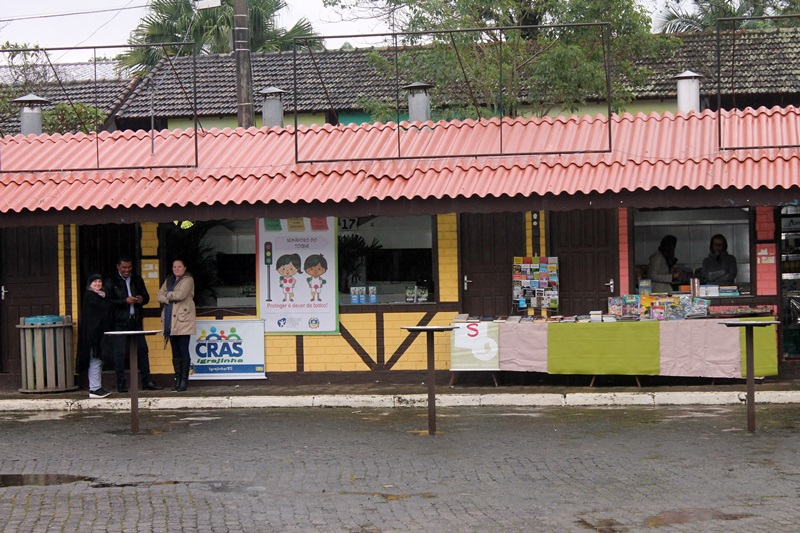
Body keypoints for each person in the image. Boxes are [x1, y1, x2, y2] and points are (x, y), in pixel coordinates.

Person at [105, 256, 163, 392]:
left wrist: (142, 299)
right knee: (119, 352)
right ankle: (121, 384)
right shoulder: (111, 280)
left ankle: (147, 381)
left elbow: (146, 297)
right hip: (119, 321)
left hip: (135, 320)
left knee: (143, 350)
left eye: (129, 267)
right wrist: (124, 301)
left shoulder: (137, 279)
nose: (127, 270)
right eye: (124, 267)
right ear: (118, 267)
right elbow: (107, 302)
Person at [158, 259, 197, 392]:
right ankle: (177, 379)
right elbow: (158, 295)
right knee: (175, 351)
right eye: (174, 267)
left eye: (179, 267)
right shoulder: (169, 279)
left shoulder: (188, 279)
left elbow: (180, 295)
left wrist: (167, 294)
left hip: (183, 320)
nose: (176, 269)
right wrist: (168, 296)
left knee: (183, 350)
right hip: (170, 322)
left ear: (184, 268)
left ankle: (184, 380)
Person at [76, 274, 114, 399]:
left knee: (98, 360)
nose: (97, 284)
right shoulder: (90, 296)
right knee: (95, 360)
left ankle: (96, 386)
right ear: (90, 284)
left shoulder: (101, 296)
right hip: (93, 335)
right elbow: (103, 310)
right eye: (95, 282)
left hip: (98, 334)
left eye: (99, 281)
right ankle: (94, 388)